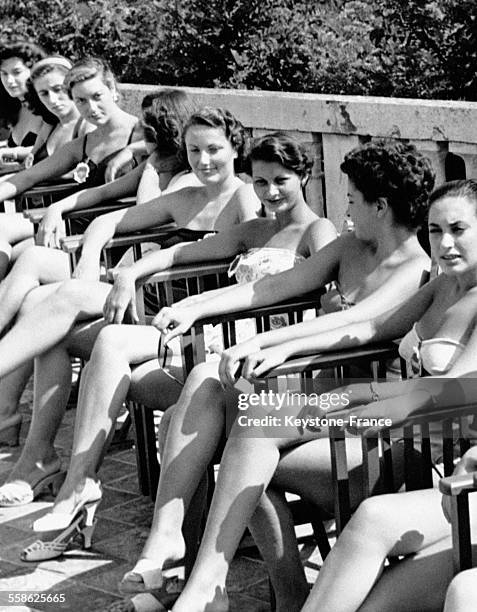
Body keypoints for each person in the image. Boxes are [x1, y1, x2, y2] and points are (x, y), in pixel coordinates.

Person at [79, 138, 433, 612]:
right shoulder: (351, 246)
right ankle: (169, 544)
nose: (346, 210)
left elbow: (359, 325)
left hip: (365, 419)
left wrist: (268, 343)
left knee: (234, 438)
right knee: (206, 377)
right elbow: (276, 287)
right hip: (311, 401)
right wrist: (194, 305)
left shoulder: (416, 267)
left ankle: (220, 588)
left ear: (381, 206)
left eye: (352, 200)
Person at [150, 177, 477, 612]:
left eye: (458, 229)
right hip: (387, 431)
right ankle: (210, 584)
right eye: (436, 231)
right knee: (249, 434)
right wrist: (277, 345)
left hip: (428, 456)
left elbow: (443, 395)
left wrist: (317, 408)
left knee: (255, 431)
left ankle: (229, 588)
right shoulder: (442, 287)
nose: (445, 243)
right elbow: (368, 328)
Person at [13, 132, 336, 566]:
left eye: (282, 180)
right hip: (213, 344)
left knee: (112, 353)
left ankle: (82, 500)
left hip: (262, 367)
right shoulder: (256, 229)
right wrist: (130, 275)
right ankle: (78, 485)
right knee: (109, 340)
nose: (270, 192)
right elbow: (185, 252)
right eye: (260, 183)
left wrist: (203, 308)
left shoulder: (318, 230)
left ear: (305, 176)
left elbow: (324, 294)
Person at [0, 107, 260, 465]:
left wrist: (132, 272)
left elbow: (256, 266)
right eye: (194, 151)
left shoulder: (245, 196)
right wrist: (91, 255)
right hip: (147, 305)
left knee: (61, 300)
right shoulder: (185, 198)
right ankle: (36, 457)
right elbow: (109, 221)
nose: (203, 160)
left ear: (234, 147)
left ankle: (35, 455)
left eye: (213, 149)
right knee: (48, 316)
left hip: (187, 322)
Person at [0, 55, 141, 279]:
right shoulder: (83, 143)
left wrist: (133, 150)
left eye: (97, 96)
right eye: (81, 101)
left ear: (111, 87)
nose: (91, 108)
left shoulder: (143, 133)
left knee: (27, 258)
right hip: (76, 228)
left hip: (118, 241)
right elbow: (28, 177)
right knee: (13, 255)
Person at [24, 55, 92, 170]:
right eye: (44, 93)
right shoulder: (50, 126)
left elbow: (88, 174)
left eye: (58, 89)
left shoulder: (87, 125)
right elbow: (31, 163)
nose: (52, 100)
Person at [0, 40, 46, 166]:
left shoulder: (49, 105)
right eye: (4, 73)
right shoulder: (15, 106)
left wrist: (7, 154)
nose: (9, 80)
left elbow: (55, 149)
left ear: (34, 71)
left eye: (17, 72)